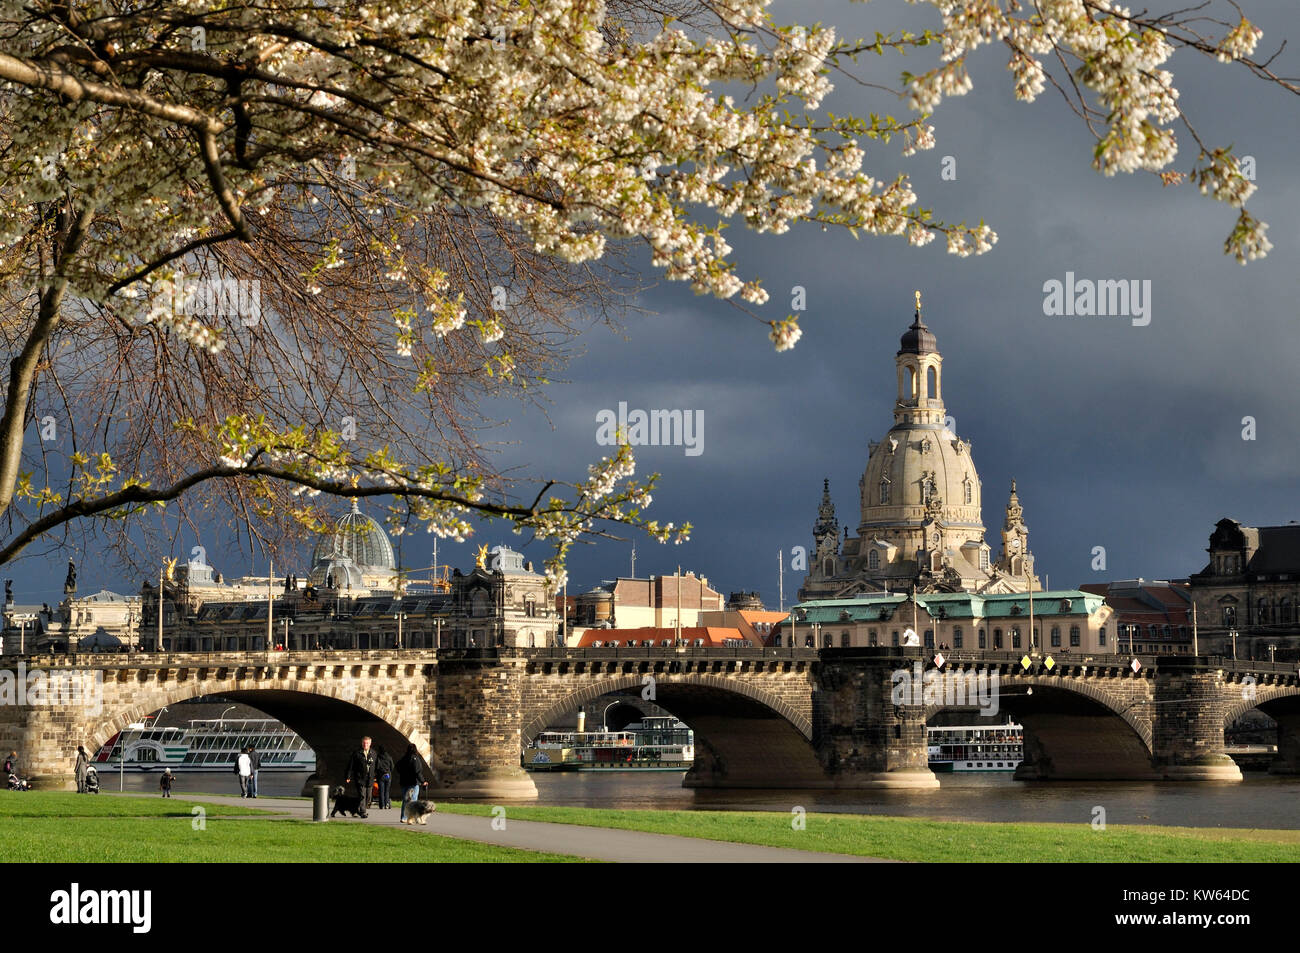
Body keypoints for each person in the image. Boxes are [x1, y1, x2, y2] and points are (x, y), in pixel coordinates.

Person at [395, 743, 430, 822]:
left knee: (405, 800)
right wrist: (423, 781)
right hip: (413, 783)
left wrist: (402, 773)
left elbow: (397, 766)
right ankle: (412, 818)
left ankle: (403, 817)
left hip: (404, 783)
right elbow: (417, 771)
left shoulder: (404, 758)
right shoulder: (415, 758)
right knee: (413, 802)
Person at [343, 735, 376, 818]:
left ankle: (357, 809)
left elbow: (377, 765)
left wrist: (378, 775)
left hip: (370, 779)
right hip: (360, 778)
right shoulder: (357, 753)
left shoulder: (374, 753)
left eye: (367, 743)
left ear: (370, 744)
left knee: (368, 797)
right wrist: (348, 776)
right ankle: (363, 812)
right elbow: (351, 765)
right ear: (362, 743)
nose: (365, 745)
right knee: (362, 796)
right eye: (364, 743)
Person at [374, 744, 394, 810]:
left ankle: (382, 805)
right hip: (388, 775)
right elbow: (392, 767)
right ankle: (387, 804)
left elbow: (376, 767)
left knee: (381, 791)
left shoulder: (378, 757)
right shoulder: (389, 757)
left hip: (381, 776)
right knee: (387, 791)